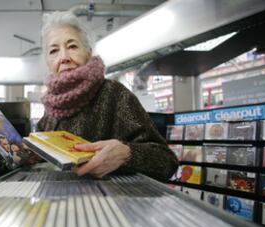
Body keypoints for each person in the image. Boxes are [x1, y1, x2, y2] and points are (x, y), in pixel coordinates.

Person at [36, 11, 178, 182]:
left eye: (72, 46)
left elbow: (166, 160)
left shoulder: (114, 94)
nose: (64, 57)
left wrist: (127, 154)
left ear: (88, 52)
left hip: (107, 203)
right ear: (48, 63)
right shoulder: (51, 109)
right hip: (58, 203)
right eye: (54, 51)